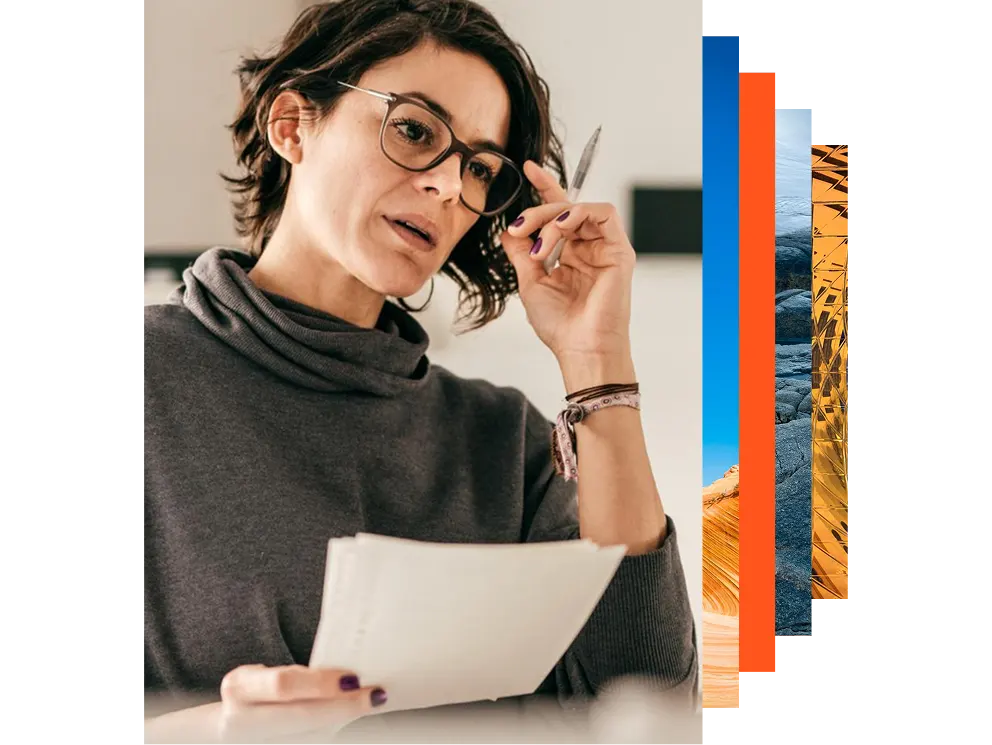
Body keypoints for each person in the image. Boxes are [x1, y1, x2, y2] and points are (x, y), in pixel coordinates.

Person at [144, 0, 697, 741]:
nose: (445, 185)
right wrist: (211, 727)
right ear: (291, 125)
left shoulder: (506, 445)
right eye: (413, 130)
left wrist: (597, 362)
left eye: (476, 167)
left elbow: (650, 701)